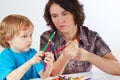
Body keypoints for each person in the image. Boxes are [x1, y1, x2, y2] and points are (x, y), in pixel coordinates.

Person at [40, 0, 120, 76]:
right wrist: (64, 57)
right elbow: (48, 74)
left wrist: (88, 56)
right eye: (54, 16)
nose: (60, 20)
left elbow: (118, 69)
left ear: (76, 14)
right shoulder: (47, 38)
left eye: (65, 14)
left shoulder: (92, 37)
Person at [0, 14, 54, 80]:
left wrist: (49, 65)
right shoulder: (5, 56)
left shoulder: (33, 53)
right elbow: (10, 78)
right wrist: (30, 62)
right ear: (9, 39)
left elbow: (44, 76)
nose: (29, 40)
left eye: (30, 35)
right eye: (24, 36)